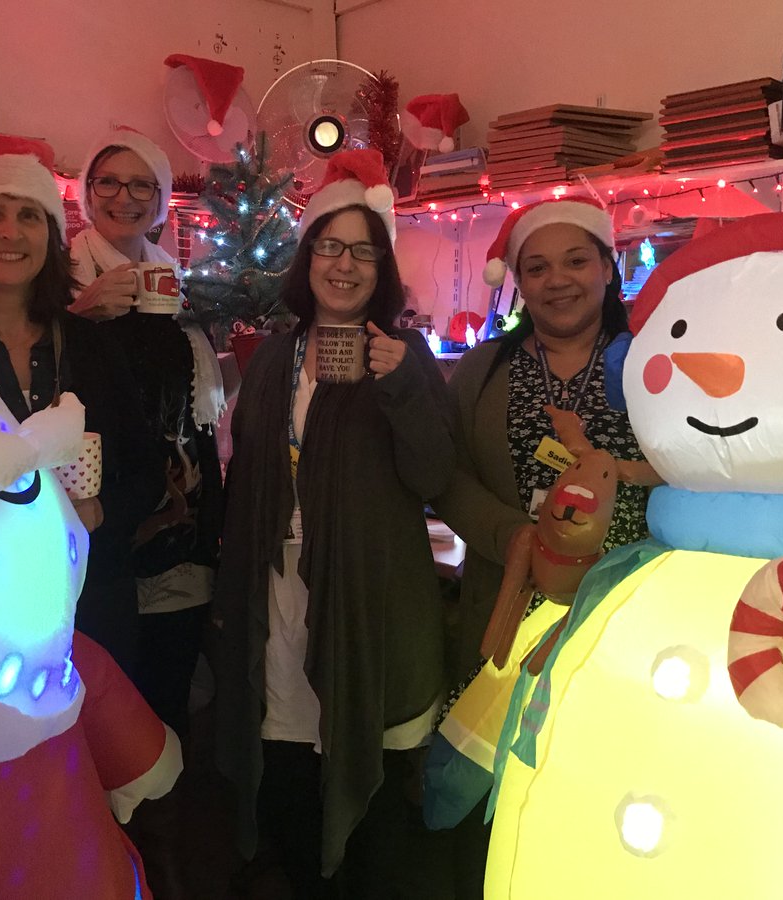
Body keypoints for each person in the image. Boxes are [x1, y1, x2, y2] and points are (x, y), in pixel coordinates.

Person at [213, 149, 454, 898]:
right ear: (307, 255)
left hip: (369, 607)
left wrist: (403, 383)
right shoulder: (272, 358)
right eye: (329, 245)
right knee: (287, 770)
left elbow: (434, 478)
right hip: (280, 598)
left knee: (373, 813)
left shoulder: (404, 356)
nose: (344, 265)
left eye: (363, 251)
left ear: (381, 268)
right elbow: (248, 461)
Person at [0, 130, 164, 681]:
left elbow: (147, 470)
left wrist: (101, 511)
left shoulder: (90, 344)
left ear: (50, 236)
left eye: (30, 216)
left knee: (101, 757)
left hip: (94, 598)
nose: (10, 232)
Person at [433, 196, 652, 684]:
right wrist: (510, 536)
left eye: (576, 261)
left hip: (631, 605)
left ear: (608, 268)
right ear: (520, 282)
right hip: (507, 600)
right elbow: (447, 474)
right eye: (537, 268)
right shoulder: (482, 370)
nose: (557, 280)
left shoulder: (652, 363)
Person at [70, 128, 225, 741]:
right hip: (100, 520)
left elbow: (194, 404)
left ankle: (165, 823)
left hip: (177, 516)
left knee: (166, 689)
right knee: (104, 692)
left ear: (160, 199)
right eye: (108, 180)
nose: (124, 197)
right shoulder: (59, 276)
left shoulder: (166, 274)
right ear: (87, 190)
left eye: (143, 184)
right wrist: (79, 314)